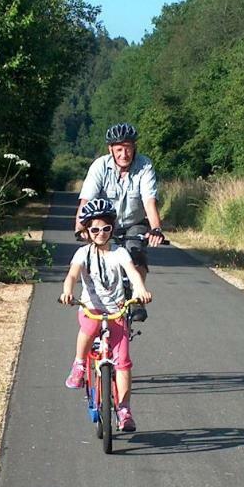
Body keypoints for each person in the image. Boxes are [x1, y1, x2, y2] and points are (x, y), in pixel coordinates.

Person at [60, 198, 153, 432]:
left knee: (122, 362)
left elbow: (132, 272)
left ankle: (124, 410)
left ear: (112, 228)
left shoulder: (119, 252)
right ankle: (80, 364)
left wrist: (140, 288)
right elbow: (72, 275)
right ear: (86, 232)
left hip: (117, 312)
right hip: (91, 309)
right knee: (89, 328)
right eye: (94, 229)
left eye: (106, 229)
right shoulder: (82, 254)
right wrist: (67, 292)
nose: (100, 233)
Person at [76, 122, 166, 320]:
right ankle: (96, 300)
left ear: (134, 148)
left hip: (135, 222)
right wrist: (80, 228)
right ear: (111, 149)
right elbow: (86, 200)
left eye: (128, 148)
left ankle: (137, 298)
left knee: (136, 251)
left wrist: (156, 229)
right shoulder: (100, 166)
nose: (124, 154)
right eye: (119, 149)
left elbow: (149, 201)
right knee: (98, 259)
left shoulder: (144, 165)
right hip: (106, 224)